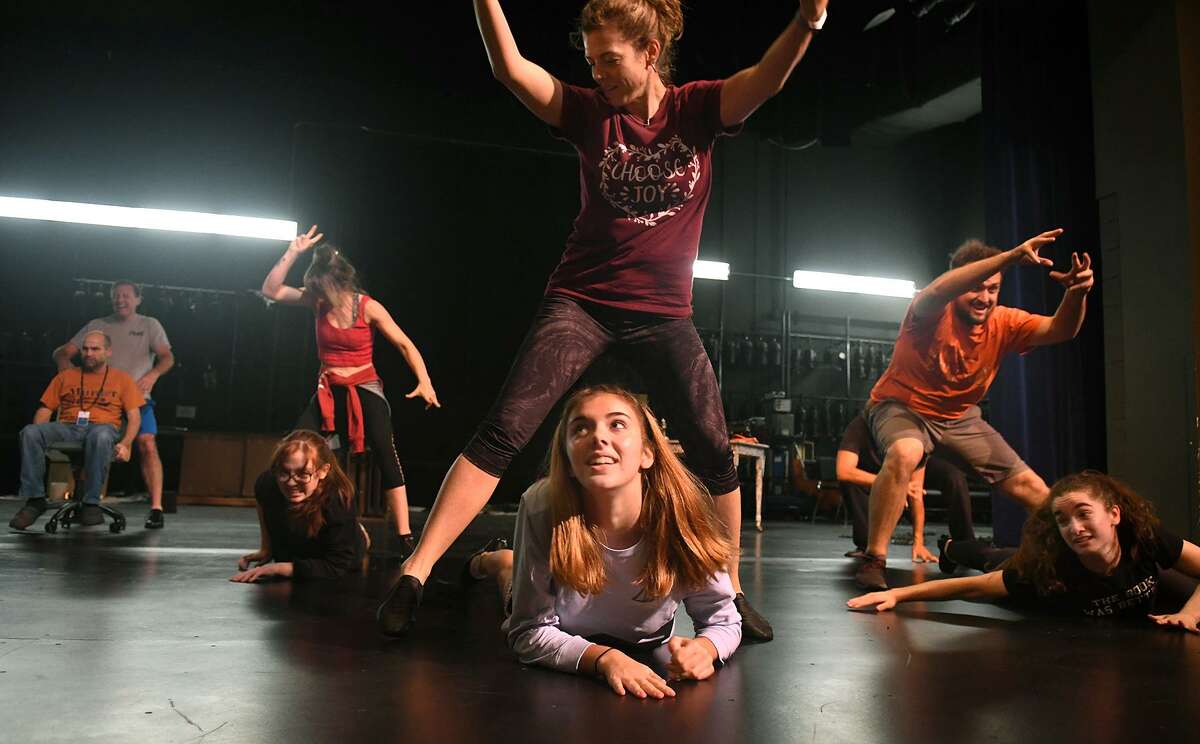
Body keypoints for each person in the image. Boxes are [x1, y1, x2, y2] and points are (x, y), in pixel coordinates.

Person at [379, 0, 832, 642]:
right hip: (582, 301)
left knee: (713, 447)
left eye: (611, 60)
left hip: (664, 315)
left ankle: (728, 590)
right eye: (592, 62)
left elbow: (766, 79)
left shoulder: (697, 110)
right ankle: (415, 573)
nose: (601, 75)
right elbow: (511, 69)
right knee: (505, 430)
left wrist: (806, 22)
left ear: (650, 52)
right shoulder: (590, 114)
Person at [463, 386, 742, 697]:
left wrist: (706, 649)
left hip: (646, 640)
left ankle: (507, 559)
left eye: (617, 424)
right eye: (581, 427)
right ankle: (498, 560)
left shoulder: (682, 514)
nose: (598, 437)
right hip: (563, 629)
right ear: (567, 460)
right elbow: (528, 630)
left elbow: (725, 619)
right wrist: (603, 659)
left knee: (515, 566)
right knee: (512, 589)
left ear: (647, 453)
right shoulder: (543, 506)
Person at [854, 231, 1095, 590]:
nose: (985, 298)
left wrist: (1076, 294)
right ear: (959, 285)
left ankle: (1074, 564)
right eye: (976, 288)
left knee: (1033, 487)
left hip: (960, 415)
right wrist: (1009, 257)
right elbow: (937, 291)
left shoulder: (1005, 322)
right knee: (906, 451)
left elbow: (1061, 329)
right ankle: (875, 559)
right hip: (902, 406)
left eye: (993, 289)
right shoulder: (930, 312)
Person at [261, 227, 440, 557]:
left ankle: (404, 536)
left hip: (364, 386)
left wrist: (424, 381)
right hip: (328, 389)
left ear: (338, 283)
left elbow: (403, 343)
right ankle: (326, 524)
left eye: (323, 288)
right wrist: (293, 251)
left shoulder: (368, 307)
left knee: (385, 452)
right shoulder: (316, 302)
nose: (319, 294)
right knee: (299, 445)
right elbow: (271, 290)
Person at [847, 472, 1200, 633]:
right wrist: (898, 593)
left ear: (1114, 514)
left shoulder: (1145, 538)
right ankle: (953, 548)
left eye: (1084, 514)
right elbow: (975, 587)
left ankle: (955, 547)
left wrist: (1188, 613)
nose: (1073, 528)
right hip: (1027, 582)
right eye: (1062, 520)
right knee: (993, 557)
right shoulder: (1050, 569)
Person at [53, 280, 174, 529]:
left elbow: (167, 357)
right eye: (116, 295)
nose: (120, 299)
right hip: (99, 403)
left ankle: (156, 508)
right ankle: (84, 502)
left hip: (137, 400)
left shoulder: (149, 325)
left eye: (126, 295)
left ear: (138, 299)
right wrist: (69, 377)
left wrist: (152, 375)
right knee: (87, 448)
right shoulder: (97, 326)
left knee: (147, 443)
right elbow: (62, 353)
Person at [9, 331, 143, 530]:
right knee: (30, 432)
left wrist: (126, 444)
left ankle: (90, 503)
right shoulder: (66, 376)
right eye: (85, 349)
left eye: (95, 349)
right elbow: (45, 410)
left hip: (103, 428)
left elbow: (134, 417)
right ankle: (35, 500)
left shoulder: (122, 379)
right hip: (69, 427)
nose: (89, 353)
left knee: (101, 435)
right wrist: (38, 438)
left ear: (108, 351)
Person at [836, 413, 976, 563]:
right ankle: (867, 545)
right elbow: (844, 471)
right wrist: (891, 483)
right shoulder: (860, 426)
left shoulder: (911, 431)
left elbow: (916, 490)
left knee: (953, 474)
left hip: (905, 471)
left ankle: (965, 545)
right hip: (873, 475)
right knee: (851, 482)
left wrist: (918, 542)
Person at [231, 430, 369, 582]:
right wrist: (266, 548)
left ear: (323, 471)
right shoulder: (269, 482)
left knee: (352, 543)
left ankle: (360, 532)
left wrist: (276, 568)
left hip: (336, 553)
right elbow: (261, 500)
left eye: (303, 474)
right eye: (284, 472)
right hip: (297, 544)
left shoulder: (338, 499)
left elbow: (337, 566)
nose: (291, 483)